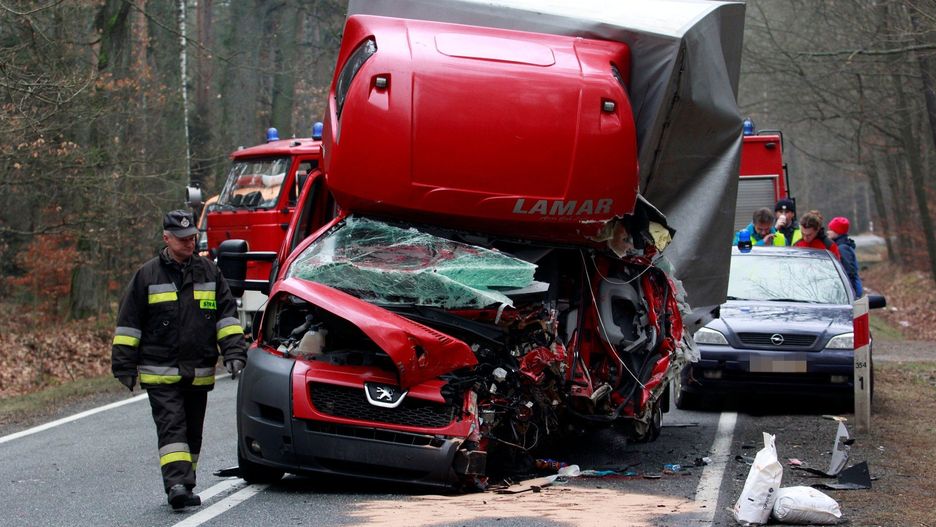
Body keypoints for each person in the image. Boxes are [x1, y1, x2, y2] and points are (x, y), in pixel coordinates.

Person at [111, 210, 247, 510]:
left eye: (192, 238)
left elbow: (227, 318)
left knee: (192, 432)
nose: (190, 243)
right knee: (172, 427)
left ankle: (186, 481)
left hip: (198, 370)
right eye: (183, 239)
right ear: (166, 238)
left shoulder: (210, 273)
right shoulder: (146, 276)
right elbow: (128, 324)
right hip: (159, 370)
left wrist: (234, 352)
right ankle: (176, 485)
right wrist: (123, 364)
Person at [828, 216, 863, 297]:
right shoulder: (842, 245)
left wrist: (851, 293)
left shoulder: (842, 248)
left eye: (831, 229)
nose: (828, 232)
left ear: (837, 232)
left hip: (851, 289)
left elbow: (848, 271)